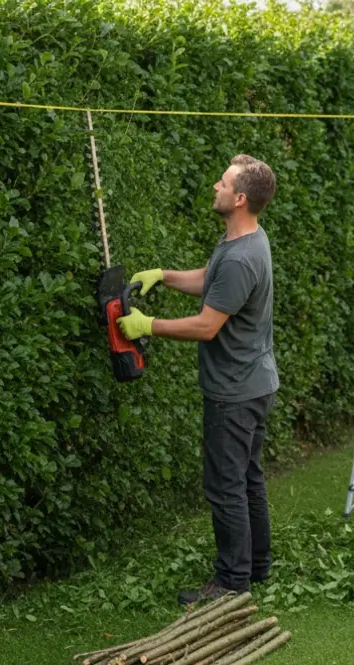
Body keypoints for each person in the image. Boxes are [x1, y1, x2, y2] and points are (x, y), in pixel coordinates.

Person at [116, 154, 279, 605]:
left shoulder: (241, 257)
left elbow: (207, 326)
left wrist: (148, 325)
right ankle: (257, 565)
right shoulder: (246, 239)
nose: (215, 186)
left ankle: (231, 582)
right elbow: (212, 279)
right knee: (247, 478)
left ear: (240, 198)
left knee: (226, 486)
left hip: (235, 391)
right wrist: (164, 277)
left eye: (223, 183)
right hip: (255, 382)